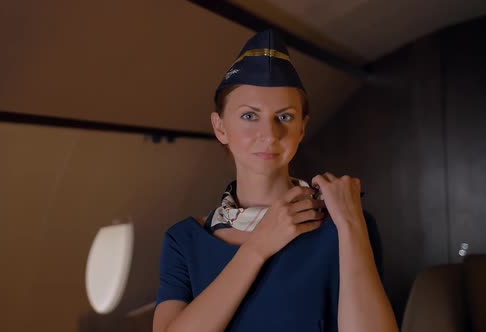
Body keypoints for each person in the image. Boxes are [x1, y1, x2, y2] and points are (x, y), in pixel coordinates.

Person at [152, 29, 398, 332]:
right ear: (220, 127)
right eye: (249, 116)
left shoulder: (342, 223)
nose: (269, 135)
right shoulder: (184, 241)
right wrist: (258, 247)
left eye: (284, 117)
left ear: (302, 129)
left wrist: (350, 224)